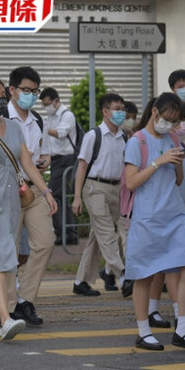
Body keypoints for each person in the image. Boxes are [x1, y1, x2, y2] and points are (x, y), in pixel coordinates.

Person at [0, 76, 56, 340]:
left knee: (3, 259)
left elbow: (27, 163)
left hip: (11, 200)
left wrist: (45, 191)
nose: (0, 101)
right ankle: (6, 318)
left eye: (1, 96)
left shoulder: (14, 127)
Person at [123, 92, 185, 352]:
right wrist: (159, 161)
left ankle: (183, 329)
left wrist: (178, 163)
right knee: (144, 275)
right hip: (147, 218)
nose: (170, 125)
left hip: (174, 215)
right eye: (168, 119)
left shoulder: (175, 139)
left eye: (175, 121)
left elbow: (179, 181)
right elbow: (131, 182)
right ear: (155, 112)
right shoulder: (137, 141)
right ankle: (143, 332)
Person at [6, 66, 54, 327]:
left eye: (35, 92)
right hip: (9, 190)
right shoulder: (2, 117)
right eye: (26, 90)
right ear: (12, 89)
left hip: (34, 188)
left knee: (45, 242)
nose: (31, 96)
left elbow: (44, 152)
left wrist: (44, 162)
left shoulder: (38, 120)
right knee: (9, 250)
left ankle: (25, 299)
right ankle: (6, 306)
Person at [71, 94, 128, 297]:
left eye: (122, 109)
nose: (121, 113)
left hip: (116, 188)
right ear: (105, 111)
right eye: (116, 109)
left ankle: (81, 281)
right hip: (95, 187)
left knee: (98, 236)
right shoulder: (93, 136)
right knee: (106, 233)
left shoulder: (124, 137)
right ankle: (123, 275)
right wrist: (77, 197)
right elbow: (82, 166)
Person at [41, 87, 79, 245]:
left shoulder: (67, 115)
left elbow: (61, 133)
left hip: (66, 159)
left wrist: (43, 128)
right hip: (55, 159)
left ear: (56, 101)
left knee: (55, 195)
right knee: (61, 196)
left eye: (48, 104)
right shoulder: (50, 117)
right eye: (44, 105)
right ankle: (68, 234)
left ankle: (63, 233)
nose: (46, 108)